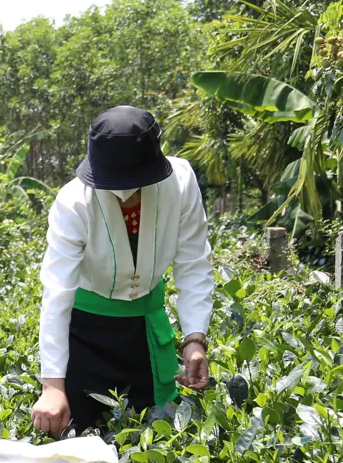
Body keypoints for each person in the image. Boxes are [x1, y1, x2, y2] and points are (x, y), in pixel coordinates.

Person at [32, 106, 213, 436]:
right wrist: (53, 387)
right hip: (85, 336)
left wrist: (194, 339)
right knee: (80, 440)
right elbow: (56, 296)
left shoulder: (182, 182)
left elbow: (193, 262)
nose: (125, 195)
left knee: (155, 439)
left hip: (144, 332)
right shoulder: (73, 202)